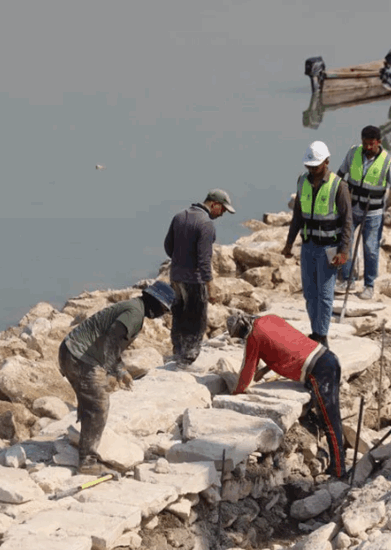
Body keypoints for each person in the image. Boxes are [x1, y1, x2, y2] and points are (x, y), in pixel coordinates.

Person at [59, 282, 174, 474]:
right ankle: (87, 461)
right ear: (154, 302)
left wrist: (119, 369)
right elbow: (111, 343)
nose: (162, 313)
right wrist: (115, 370)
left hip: (72, 351)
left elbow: (113, 344)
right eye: (163, 309)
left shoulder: (135, 308)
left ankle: (83, 438)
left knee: (92, 398)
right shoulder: (134, 314)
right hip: (79, 357)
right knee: (98, 405)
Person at [226, 313, 346, 479]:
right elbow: (284, 343)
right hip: (327, 358)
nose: (242, 340)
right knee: (328, 415)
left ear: (242, 330)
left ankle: (339, 470)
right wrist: (265, 369)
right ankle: (337, 457)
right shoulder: (269, 318)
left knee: (330, 422)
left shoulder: (253, 336)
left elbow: (246, 373)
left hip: (318, 371)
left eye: (240, 337)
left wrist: (234, 395)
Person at [282, 141, 353, 347]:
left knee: (324, 293)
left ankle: (322, 335)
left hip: (328, 248)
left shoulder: (339, 186)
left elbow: (347, 220)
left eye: (316, 166)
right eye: (309, 166)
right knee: (310, 293)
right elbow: (297, 216)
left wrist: (344, 250)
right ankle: (316, 331)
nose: (312, 169)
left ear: (326, 162)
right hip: (308, 246)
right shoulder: (302, 181)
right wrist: (289, 244)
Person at [163, 189, 236, 365]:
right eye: (223, 209)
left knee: (179, 315)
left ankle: (177, 354)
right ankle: (187, 360)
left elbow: (168, 246)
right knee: (196, 321)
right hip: (194, 280)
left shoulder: (180, 216)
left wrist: (180, 262)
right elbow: (204, 260)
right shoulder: (206, 224)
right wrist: (210, 287)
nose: (223, 214)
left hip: (176, 277)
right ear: (214, 204)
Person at [336, 125, 391, 300]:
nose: (367, 148)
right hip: (353, 208)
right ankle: (346, 279)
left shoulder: (388, 161)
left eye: (371, 144)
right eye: (364, 143)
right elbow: (340, 175)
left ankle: (369, 285)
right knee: (346, 242)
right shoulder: (353, 153)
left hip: (373, 213)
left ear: (379, 142)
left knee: (370, 249)